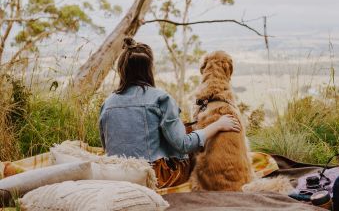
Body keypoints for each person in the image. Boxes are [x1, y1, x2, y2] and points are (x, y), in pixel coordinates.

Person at [99, 37, 241, 188]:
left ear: (122, 69)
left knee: (182, 129)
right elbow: (184, 145)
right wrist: (218, 125)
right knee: (192, 141)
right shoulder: (161, 99)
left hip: (114, 172)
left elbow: (107, 146)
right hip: (154, 176)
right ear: (149, 69)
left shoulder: (107, 104)